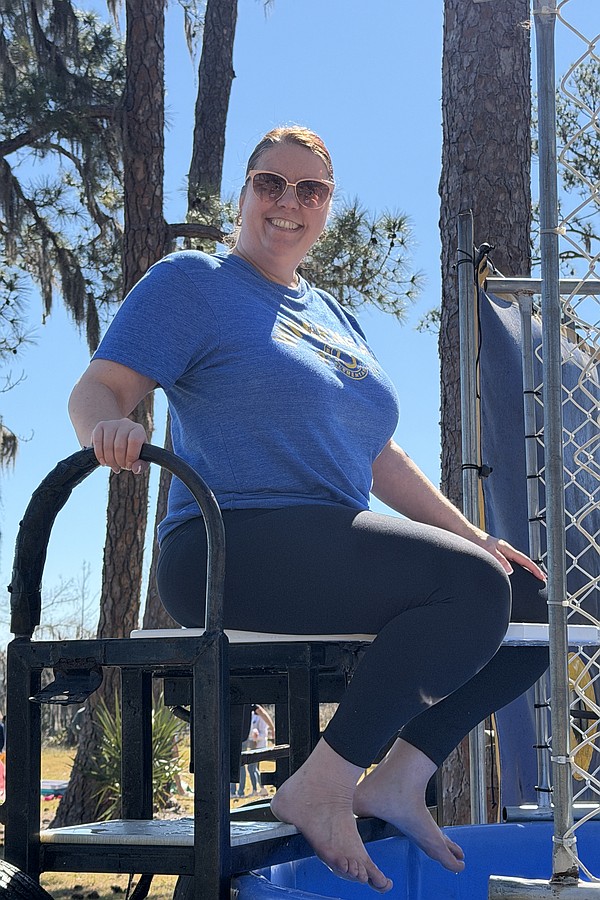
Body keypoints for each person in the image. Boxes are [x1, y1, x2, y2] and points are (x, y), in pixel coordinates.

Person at [69, 125, 548, 894]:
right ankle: (322, 785)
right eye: (271, 183)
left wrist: (470, 534)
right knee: (471, 587)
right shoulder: (194, 282)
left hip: (331, 542)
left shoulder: (332, 315)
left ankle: (399, 775)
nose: (288, 201)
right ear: (244, 195)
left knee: (537, 602)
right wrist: (106, 428)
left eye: (310, 189)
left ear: (327, 206)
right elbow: (100, 387)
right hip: (227, 544)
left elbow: (379, 456)